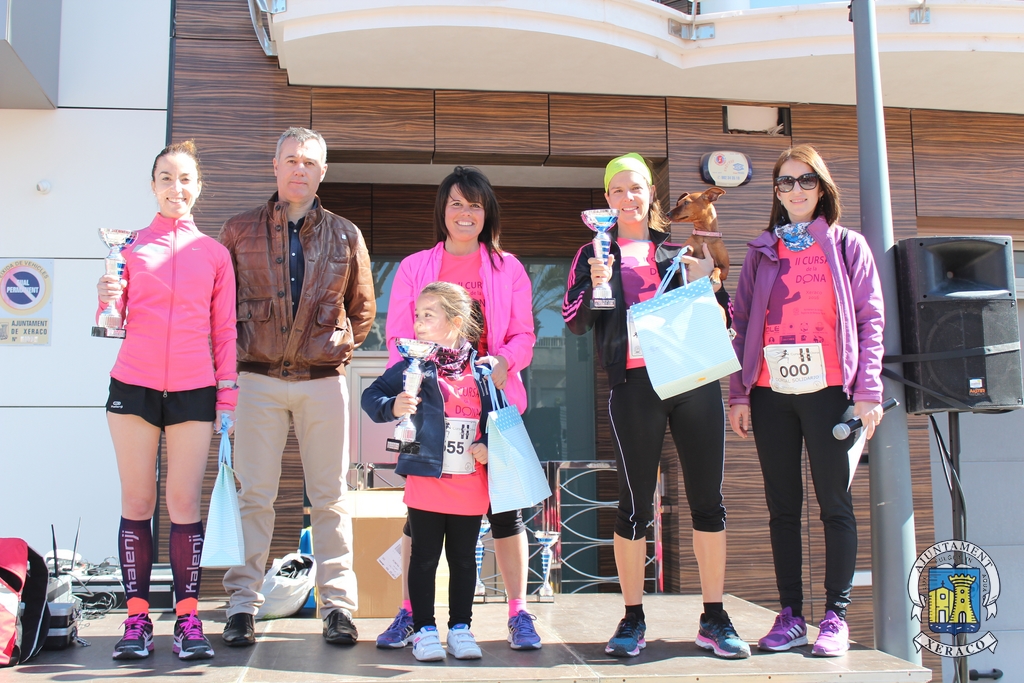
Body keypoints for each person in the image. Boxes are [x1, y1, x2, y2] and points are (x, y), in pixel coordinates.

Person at [563, 153, 749, 659]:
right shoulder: (593, 251)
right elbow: (574, 320)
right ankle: (631, 617)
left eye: (637, 188)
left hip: (692, 377)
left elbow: (726, 314)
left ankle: (714, 617)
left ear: (651, 195)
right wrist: (596, 283)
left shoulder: (678, 245)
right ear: (607, 199)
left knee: (708, 500)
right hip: (634, 384)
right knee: (634, 505)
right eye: (617, 190)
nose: (628, 198)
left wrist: (710, 283)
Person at [219, 127, 376, 647]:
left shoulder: (346, 235)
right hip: (256, 379)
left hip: (322, 381)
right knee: (254, 497)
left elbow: (362, 311)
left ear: (322, 172)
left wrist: (330, 351)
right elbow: (219, 306)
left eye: (309, 162)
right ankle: (242, 605)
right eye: (290, 160)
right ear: (275, 166)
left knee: (331, 497)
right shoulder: (238, 230)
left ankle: (338, 607)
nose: (299, 169)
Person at [728, 144, 885, 657]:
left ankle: (835, 616)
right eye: (785, 182)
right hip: (770, 391)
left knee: (835, 503)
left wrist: (869, 391)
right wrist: (739, 392)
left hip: (831, 390)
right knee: (782, 507)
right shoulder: (762, 250)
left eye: (806, 180)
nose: (796, 190)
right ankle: (790, 614)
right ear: (776, 192)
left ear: (822, 188)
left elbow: (871, 319)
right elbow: (742, 322)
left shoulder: (846, 245)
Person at [376, 166, 540, 650]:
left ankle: (518, 613)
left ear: (487, 213)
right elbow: (398, 336)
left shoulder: (508, 268)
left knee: (506, 513)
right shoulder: (415, 267)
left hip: (492, 405)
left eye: (474, 205)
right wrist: (408, 390)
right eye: (456, 204)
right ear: (442, 211)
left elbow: (525, 334)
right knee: (420, 518)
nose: (465, 213)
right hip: (432, 409)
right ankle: (411, 613)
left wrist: (504, 362)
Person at [97, 140, 237, 661]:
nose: (176, 188)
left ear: (198, 186)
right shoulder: (129, 247)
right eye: (165, 178)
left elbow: (225, 331)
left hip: (194, 388)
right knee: (137, 503)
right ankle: (135, 619)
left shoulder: (214, 254)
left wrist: (227, 396)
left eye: (185, 179)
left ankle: (187, 620)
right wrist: (105, 297)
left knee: (183, 505)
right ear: (152, 185)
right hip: (132, 384)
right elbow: (113, 322)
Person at [363, 282, 498, 662]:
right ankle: (423, 630)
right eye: (417, 315)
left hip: (470, 483)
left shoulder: (482, 370)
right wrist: (394, 406)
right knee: (423, 557)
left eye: (428, 315)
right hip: (426, 480)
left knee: (464, 558)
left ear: (454, 321)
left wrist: (488, 444)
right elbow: (371, 397)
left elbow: (500, 417)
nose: (418, 322)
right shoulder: (414, 366)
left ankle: (461, 629)